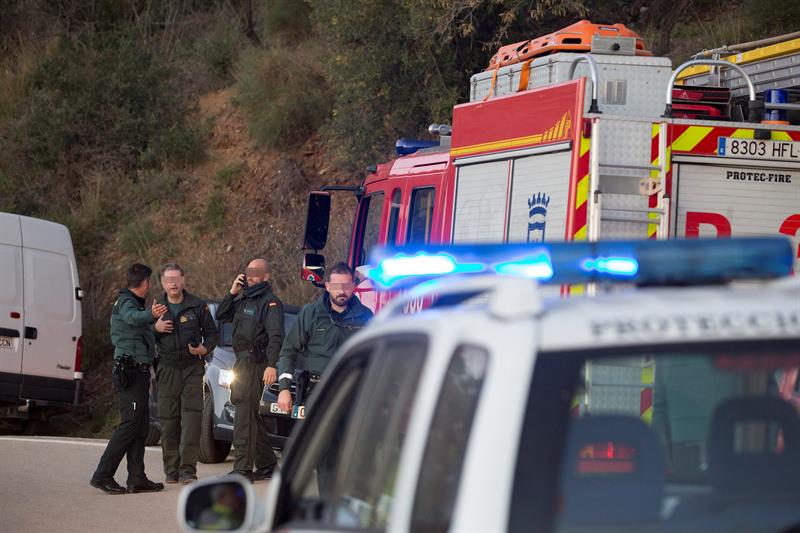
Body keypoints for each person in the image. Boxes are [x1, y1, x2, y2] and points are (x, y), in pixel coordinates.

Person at [90, 263, 166, 494]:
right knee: (130, 424)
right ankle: (102, 475)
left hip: (140, 372)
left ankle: (137, 478)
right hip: (130, 372)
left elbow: (137, 330)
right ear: (144, 283)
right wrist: (151, 315)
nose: (149, 285)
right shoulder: (126, 302)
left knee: (140, 426)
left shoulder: (134, 303)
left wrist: (154, 325)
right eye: (149, 282)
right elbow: (132, 319)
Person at [215, 258, 284, 482]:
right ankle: (266, 465)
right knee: (249, 415)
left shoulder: (270, 302)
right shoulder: (243, 298)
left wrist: (272, 365)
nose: (251, 276)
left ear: (266, 277)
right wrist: (232, 292)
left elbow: (276, 336)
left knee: (244, 416)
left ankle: (243, 469)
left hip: (256, 364)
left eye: (257, 273)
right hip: (241, 363)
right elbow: (221, 315)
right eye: (249, 272)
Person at [154, 262, 219, 484]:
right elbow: (142, 336)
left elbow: (212, 334)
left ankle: (187, 471)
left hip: (192, 368)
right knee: (169, 420)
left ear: (183, 281)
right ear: (162, 283)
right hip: (167, 368)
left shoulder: (197, 306)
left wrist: (205, 348)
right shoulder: (156, 309)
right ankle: (171, 470)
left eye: (176, 278)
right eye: (168, 279)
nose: (173, 283)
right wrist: (155, 328)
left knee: (191, 420)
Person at [276, 262, 373, 411]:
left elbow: (375, 355)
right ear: (327, 286)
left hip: (351, 393)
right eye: (336, 286)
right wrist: (284, 389)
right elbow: (288, 351)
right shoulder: (311, 313)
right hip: (315, 392)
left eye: (346, 286)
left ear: (353, 286)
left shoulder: (366, 317)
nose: (341, 291)